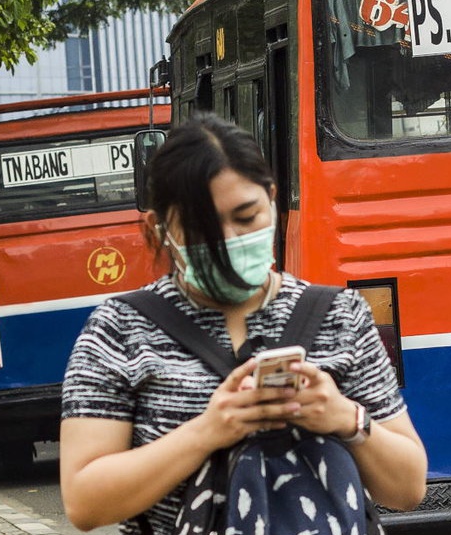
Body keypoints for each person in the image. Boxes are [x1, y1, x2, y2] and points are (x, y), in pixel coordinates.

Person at [59, 114, 428, 534]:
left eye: (246, 216)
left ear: (271, 198)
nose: (229, 239)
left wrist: (344, 417)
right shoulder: (121, 329)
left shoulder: (339, 314)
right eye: (203, 228)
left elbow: (407, 489)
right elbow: (84, 503)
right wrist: (209, 431)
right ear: (160, 229)